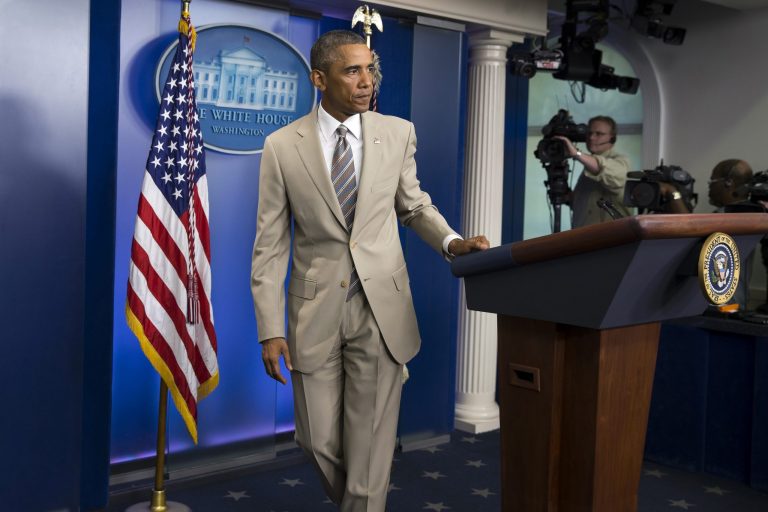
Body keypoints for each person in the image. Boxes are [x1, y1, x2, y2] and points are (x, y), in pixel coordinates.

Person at [250, 30, 489, 512]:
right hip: (313, 309)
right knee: (316, 440)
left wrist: (451, 240)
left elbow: (413, 205)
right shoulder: (281, 145)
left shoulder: (397, 132)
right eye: (352, 70)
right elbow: (271, 244)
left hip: (381, 308)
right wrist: (269, 328)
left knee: (371, 445)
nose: (366, 81)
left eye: (370, 69)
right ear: (320, 78)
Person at [555, 115, 631, 227]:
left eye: (599, 134)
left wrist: (577, 154)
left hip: (612, 240)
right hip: (585, 239)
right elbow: (581, 205)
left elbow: (603, 168)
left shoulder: (621, 162)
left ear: (612, 138)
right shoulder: (588, 166)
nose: (591, 138)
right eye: (589, 133)